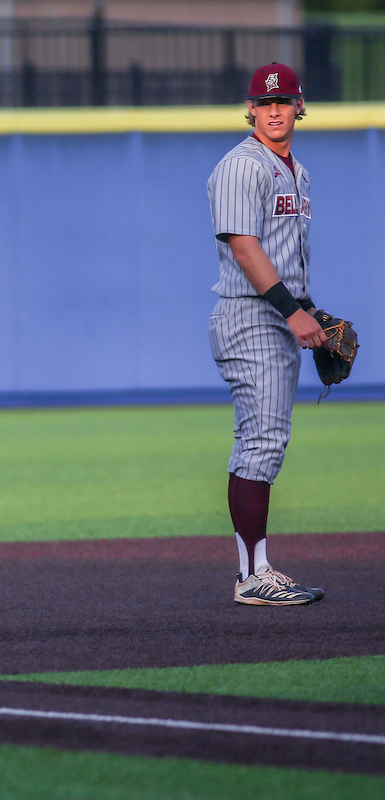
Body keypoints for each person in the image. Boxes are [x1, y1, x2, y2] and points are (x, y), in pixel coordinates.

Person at [207, 63, 327, 606]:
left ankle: (257, 570)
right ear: (250, 109)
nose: (274, 110)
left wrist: (308, 313)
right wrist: (291, 311)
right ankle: (252, 575)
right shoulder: (241, 166)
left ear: (299, 106)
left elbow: (285, 258)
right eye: (264, 102)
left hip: (276, 314)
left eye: (284, 102)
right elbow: (245, 247)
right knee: (259, 444)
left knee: (267, 444)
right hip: (250, 314)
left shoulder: (295, 172)